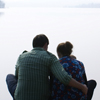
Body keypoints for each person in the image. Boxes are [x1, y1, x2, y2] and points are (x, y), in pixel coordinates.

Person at [6, 34, 88, 100]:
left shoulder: (22, 56)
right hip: (42, 97)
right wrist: (82, 87)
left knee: (9, 76)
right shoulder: (50, 57)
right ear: (46, 45)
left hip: (20, 97)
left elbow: (17, 75)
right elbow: (64, 78)